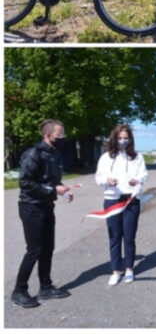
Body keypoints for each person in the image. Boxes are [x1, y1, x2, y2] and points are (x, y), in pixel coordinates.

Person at [11, 119, 73, 308]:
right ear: (48, 135)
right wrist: (54, 191)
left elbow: (51, 182)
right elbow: (26, 183)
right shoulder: (34, 154)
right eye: (60, 135)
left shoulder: (55, 154)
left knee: (48, 248)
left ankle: (45, 287)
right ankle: (19, 291)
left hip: (46, 206)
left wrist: (62, 191)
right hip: (31, 207)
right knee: (34, 250)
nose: (63, 138)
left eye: (63, 134)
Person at [94, 125, 149, 286]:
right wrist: (107, 180)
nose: (123, 141)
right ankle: (116, 271)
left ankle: (130, 269)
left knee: (129, 237)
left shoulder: (137, 157)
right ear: (114, 139)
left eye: (126, 138)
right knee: (114, 237)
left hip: (131, 200)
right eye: (120, 138)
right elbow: (98, 178)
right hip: (112, 200)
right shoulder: (105, 157)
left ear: (130, 139)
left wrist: (137, 180)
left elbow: (144, 175)